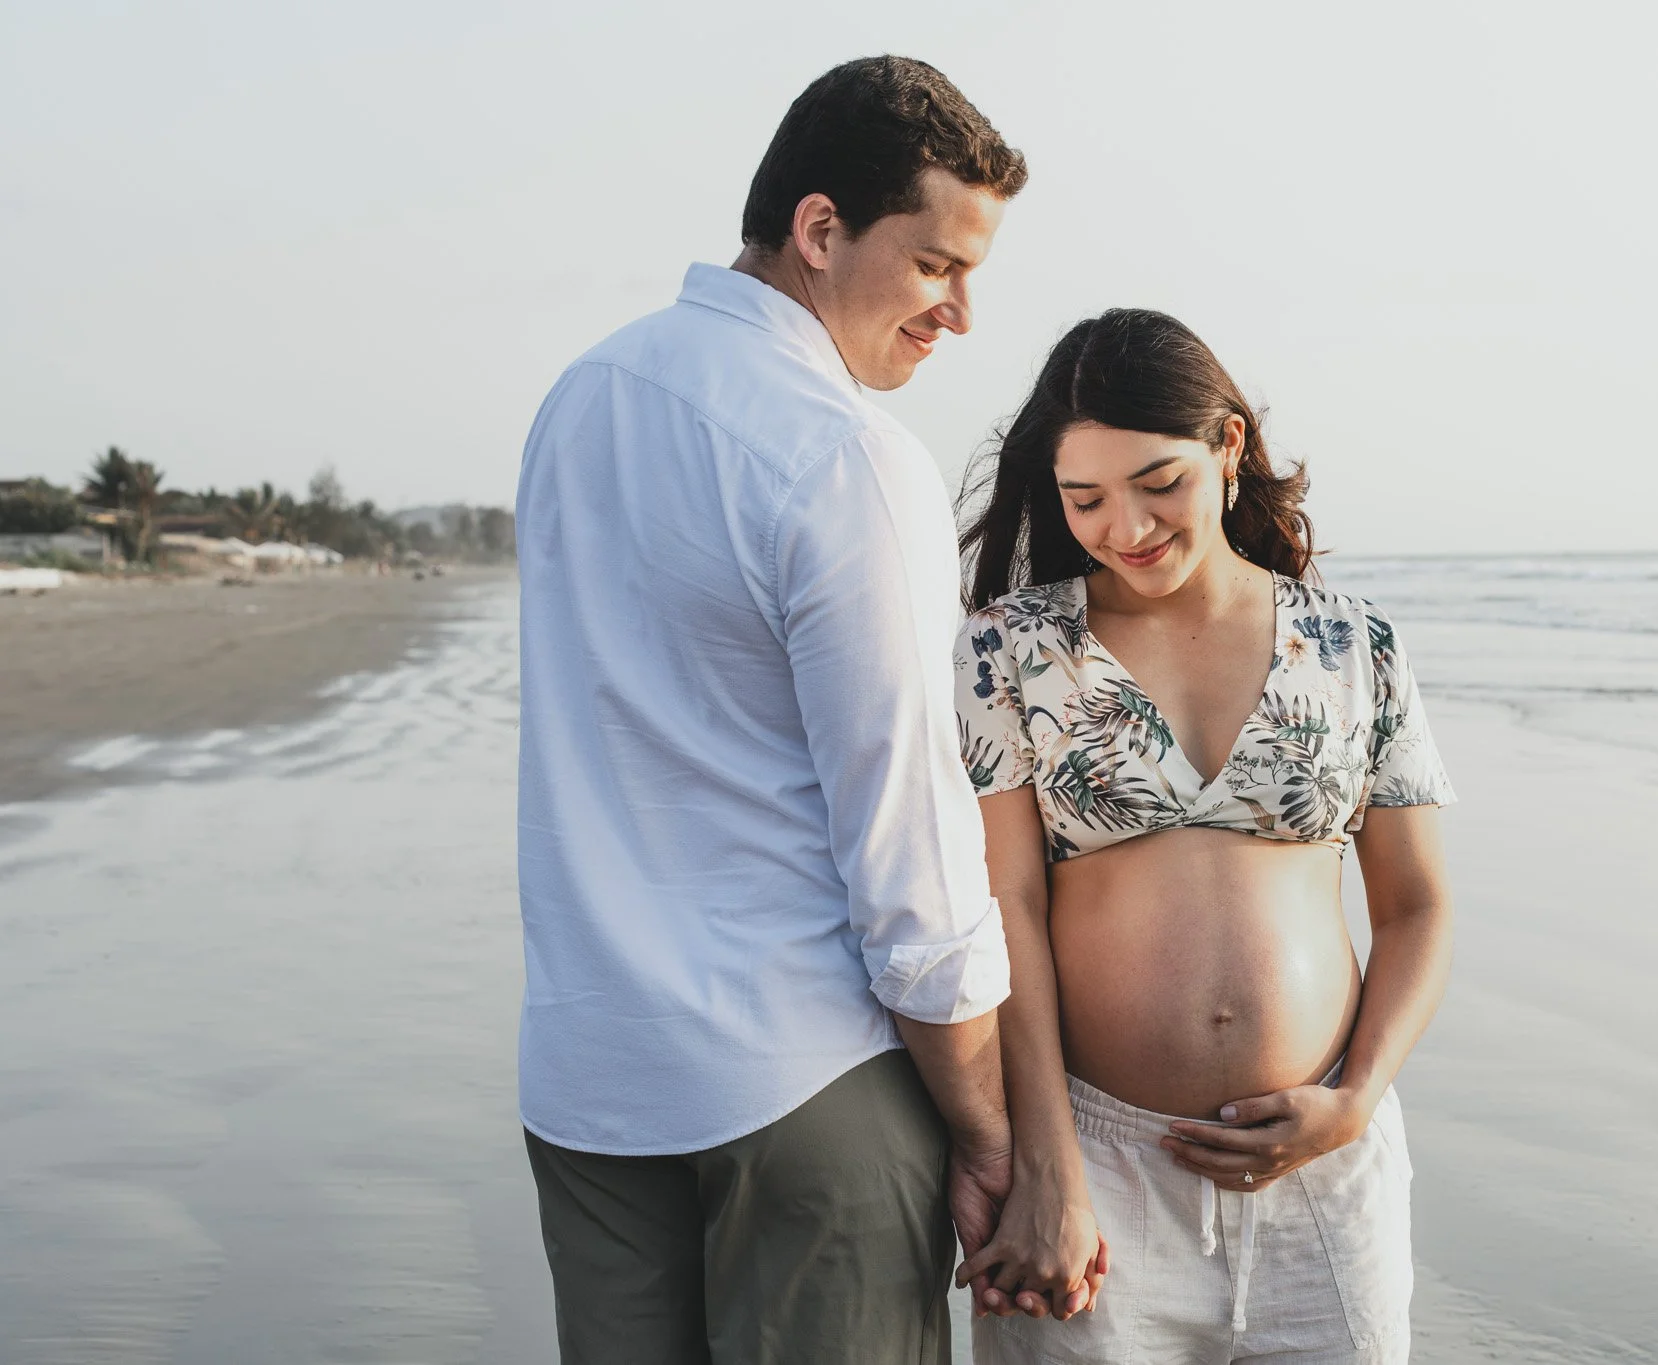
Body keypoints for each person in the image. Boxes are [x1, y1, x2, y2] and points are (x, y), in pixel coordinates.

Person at [514, 57, 1034, 1364]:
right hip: (806, 1087)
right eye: (936, 266)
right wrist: (983, 1123)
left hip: (591, 1080)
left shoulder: (581, 398)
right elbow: (909, 843)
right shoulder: (847, 456)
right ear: (820, 230)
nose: (959, 312)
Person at [951, 309, 1457, 1363]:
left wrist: (1353, 1099)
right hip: (1097, 1166)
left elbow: (1415, 908)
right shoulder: (1011, 648)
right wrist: (1046, 1170)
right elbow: (1006, 912)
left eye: (1156, 485)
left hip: (1323, 1167)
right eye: (1082, 498)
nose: (1122, 527)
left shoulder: (1351, 643)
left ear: (1226, 449)